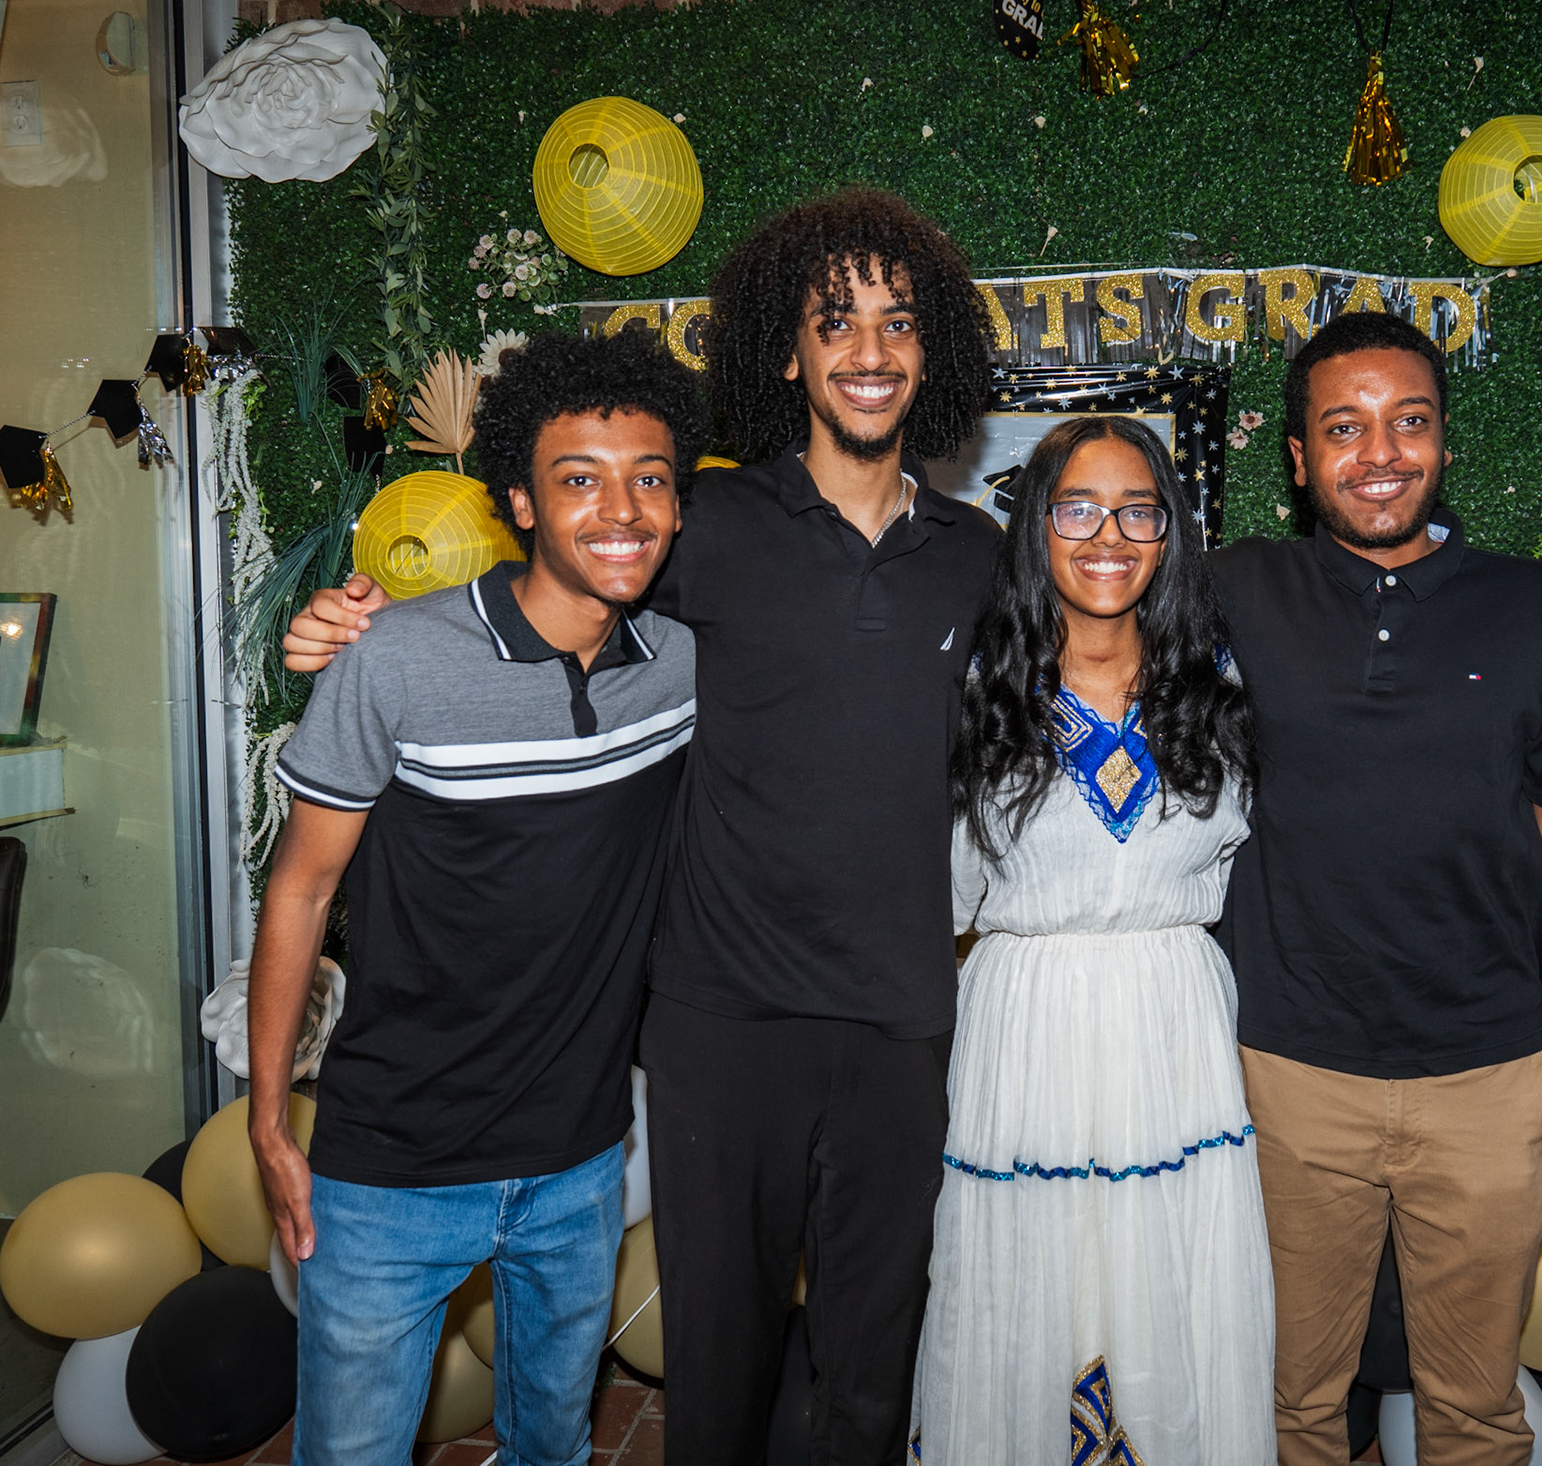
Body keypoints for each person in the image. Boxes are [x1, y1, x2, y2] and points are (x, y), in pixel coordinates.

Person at [281, 187, 1002, 1465]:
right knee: (720, 1365)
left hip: (902, 1015)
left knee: (874, 1358)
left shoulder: (976, 553)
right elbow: (561, 570)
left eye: (898, 322)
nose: (870, 349)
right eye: (835, 321)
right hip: (722, 1021)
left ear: (931, 350)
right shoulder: (705, 522)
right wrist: (361, 628)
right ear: (787, 355)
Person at [249, 327, 702, 1465]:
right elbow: (300, 889)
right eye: (580, 480)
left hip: (581, 1158)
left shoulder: (685, 667)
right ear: (521, 502)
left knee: (552, 1449)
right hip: (391, 1166)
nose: (622, 510)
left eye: (650, 479)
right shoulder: (395, 658)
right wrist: (266, 1118)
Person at [1212, 310, 1542, 1466]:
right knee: (1289, 1407)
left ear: (1444, 440)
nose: (1380, 454)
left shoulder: (1538, 609)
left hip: (1488, 1080)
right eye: (1343, 428)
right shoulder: (1235, 593)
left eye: (1408, 421)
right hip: (1287, 1075)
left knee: (1475, 1414)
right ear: (1299, 458)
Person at [913, 417, 1275, 1464]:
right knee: (1024, 1289)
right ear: (1036, 526)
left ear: (1170, 533)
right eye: (1078, 509)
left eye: (1137, 511)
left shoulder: (1223, 690)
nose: (1107, 535)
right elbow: (939, 897)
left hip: (1175, 1028)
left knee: (1174, 1278)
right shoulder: (979, 690)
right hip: (1024, 1027)